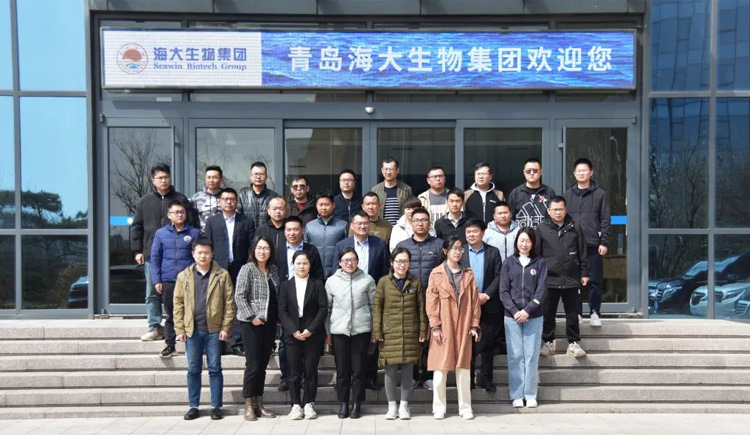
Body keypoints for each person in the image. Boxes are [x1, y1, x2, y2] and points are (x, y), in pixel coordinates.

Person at [173, 238, 235, 421]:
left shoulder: (222, 275)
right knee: (193, 369)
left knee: (215, 368)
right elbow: (177, 304)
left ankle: (216, 406)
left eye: (206, 252)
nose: (203, 256)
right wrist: (179, 329)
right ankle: (193, 406)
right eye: (199, 252)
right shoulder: (184, 276)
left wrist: (226, 327)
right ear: (193, 254)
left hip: (214, 330)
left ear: (212, 254)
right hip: (192, 330)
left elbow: (229, 304)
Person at [131, 163, 192, 342]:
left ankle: (181, 326)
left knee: (181, 292)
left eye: (166, 177)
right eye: (160, 178)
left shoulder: (181, 199)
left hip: (178, 254)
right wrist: (137, 250)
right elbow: (137, 226)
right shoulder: (145, 201)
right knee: (152, 292)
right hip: (152, 254)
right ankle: (155, 326)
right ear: (153, 180)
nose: (164, 180)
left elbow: (191, 223)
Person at [332, 210, 390, 391]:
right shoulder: (343, 244)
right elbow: (335, 270)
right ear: (352, 226)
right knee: (348, 346)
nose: (363, 226)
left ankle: (370, 377)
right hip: (347, 296)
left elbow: (384, 270)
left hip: (371, 293)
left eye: (366, 223)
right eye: (359, 223)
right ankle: (346, 379)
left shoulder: (379, 244)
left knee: (370, 339)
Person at [426, 236, 481, 420]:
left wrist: (474, 324)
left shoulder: (468, 273)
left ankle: (465, 407)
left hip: (464, 324)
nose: (457, 252)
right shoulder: (436, 273)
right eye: (454, 248)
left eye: (460, 248)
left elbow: (474, 301)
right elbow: (431, 302)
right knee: (440, 368)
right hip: (444, 324)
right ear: (445, 251)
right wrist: (435, 326)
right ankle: (439, 407)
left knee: (463, 368)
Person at [373, 247, 428, 420]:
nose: (402, 265)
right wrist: (377, 330)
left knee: (408, 369)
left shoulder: (415, 282)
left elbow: (422, 309)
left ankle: (404, 406)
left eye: (405, 261)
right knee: (389, 369)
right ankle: (391, 407)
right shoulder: (383, 282)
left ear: (409, 263)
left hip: (410, 332)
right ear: (392, 262)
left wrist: (423, 330)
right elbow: (377, 308)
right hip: (389, 332)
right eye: (398, 261)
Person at [204, 187, 256, 356]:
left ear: (236, 202)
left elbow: (252, 247)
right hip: (218, 270)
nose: (228, 202)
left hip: (240, 268)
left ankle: (237, 343)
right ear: (220, 202)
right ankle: (218, 343)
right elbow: (207, 245)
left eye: (232, 199)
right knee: (217, 305)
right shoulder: (212, 222)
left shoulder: (246, 222)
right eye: (225, 199)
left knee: (238, 304)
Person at [498, 227, 547, 409]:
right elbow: (503, 291)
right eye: (521, 240)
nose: (524, 244)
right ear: (516, 242)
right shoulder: (508, 263)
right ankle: (517, 394)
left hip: (534, 316)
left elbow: (541, 290)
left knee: (531, 355)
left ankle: (530, 394)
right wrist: (514, 310)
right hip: (511, 317)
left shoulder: (540, 263)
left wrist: (528, 310)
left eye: (527, 241)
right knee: (515, 356)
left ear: (533, 243)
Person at [395, 207, 444, 389]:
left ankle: (430, 374)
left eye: (424, 220)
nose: (420, 224)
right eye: (416, 220)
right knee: (412, 337)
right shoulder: (403, 246)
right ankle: (412, 375)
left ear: (430, 223)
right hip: (410, 298)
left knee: (432, 336)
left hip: (434, 298)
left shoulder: (439, 245)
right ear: (411, 223)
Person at [325, 248, 376, 419]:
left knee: (359, 370)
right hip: (339, 331)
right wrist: (327, 331)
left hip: (361, 330)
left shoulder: (367, 280)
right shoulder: (332, 281)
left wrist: (374, 329)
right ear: (339, 263)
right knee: (342, 370)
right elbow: (327, 309)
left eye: (353, 259)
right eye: (345, 260)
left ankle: (357, 404)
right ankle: (343, 403)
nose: (349, 263)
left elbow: (374, 306)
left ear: (358, 261)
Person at [537, 196, 590, 358]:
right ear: (548, 211)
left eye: (561, 209)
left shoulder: (575, 227)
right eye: (555, 210)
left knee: (572, 313)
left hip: (571, 277)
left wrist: (584, 272)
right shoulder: (541, 228)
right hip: (549, 278)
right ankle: (548, 341)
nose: (558, 212)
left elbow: (583, 252)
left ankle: (573, 342)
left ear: (566, 210)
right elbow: (538, 255)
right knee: (548, 312)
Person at [234, 236, 281, 421]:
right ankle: (248, 404)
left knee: (262, 365)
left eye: (266, 248)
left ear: (271, 251)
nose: (262, 251)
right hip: (250, 323)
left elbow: (276, 296)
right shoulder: (247, 269)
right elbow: (239, 296)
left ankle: (259, 403)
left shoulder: (274, 270)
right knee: (253, 365)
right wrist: (251, 316)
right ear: (253, 250)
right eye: (259, 248)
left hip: (269, 324)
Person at [278, 251, 328, 420]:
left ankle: (309, 403)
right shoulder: (286, 286)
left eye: (305, 263)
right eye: (298, 263)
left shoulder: (317, 284)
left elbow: (323, 309)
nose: (301, 266)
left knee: (311, 370)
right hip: (292, 334)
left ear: (310, 265)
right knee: (293, 371)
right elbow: (282, 311)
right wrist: (293, 330)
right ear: (293, 265)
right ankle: (295, 405)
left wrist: (311, 329)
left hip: (312, 334)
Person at [563, 157, 611, 327]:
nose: (581, 173)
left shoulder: (600, 194)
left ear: (591, 173)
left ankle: (595, 312)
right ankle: (576, 313)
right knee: (574, 282)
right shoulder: (567, 195)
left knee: (595, 280)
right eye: (579, 170)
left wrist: (604, 241)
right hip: (572, 244)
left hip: (593, 244)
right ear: (574, 173)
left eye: (585, 170)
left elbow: (605, 219)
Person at [150, 200, 200, 358]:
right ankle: (170, 344)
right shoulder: (161, 234)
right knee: (171, 313)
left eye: (182, 212)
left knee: (192, 312)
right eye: (176, 212)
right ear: (169, 215)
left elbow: (199, 257)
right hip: (169, 279)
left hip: (190, 280)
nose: (180, 215)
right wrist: (157, 280)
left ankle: (193, 345)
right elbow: (155, 258)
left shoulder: (194, 233)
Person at [461, 218, 503, 392]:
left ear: (483, 233)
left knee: (487, 344)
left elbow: (499, 275)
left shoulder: (493, 252)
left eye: (475, 231)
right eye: (468, 232)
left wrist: (486, 295)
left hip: (487, 303)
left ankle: (486, 378)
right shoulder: (460, 251)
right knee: (467, 344)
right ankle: (468, 380)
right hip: (465, 305)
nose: (471, 235)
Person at [304, 191, 348, 278]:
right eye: (321, 205)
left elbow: (347, 249)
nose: (323, 208)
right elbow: (305, 250)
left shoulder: (343, 225)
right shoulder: (309, 226)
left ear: (333, 205)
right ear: (316, 206)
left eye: (327, 204)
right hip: (314, 273)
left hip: (337, 273)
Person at [507, 158, 556, 229]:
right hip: (522, 234)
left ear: (541, 172)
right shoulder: (515, 193)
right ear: (524, 172)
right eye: (528, 171)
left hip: (544, 234)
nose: (532, 173)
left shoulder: (549, 192)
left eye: (535, 171)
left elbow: (554, 216)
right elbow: (509, 218)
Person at [275, 216, 324, 282]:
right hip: (283, 287)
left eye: (295, 229)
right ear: (284, 232)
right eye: (289, 230)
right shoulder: (278, 250)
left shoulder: (311, 250)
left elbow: (319, 275)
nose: (292, 233)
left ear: (302, 231)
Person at [371, 157, 413, 226]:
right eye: (386, 169)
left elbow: (412, 209)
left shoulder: (406, 189)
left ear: (397, 170)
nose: (388, 172)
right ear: (382, 170)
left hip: (401, 228)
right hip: (382, 228)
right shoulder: (375, 190)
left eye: (391, 169)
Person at [239, 161, 280, 228]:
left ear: (266, 177)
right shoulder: (242, 195)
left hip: (267, 232)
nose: (258, 177)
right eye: (256, 174)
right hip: (247, 232)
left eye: (261, 174)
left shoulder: (273, 196)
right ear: (251, 176)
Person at [190, 165, 223, 232]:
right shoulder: (197, 197)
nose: (211, 180)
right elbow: (191, 218)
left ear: (221, 179)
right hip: (203, 235)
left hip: (222, 234)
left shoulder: (226, 196)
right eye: (208, 177)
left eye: (214, 177)